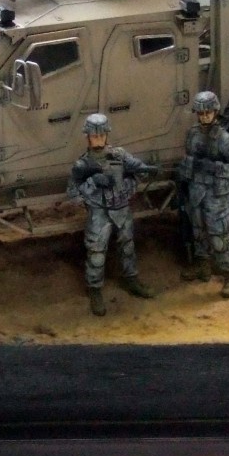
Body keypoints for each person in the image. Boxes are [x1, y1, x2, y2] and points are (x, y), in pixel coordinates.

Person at [67, 113, 156, 316]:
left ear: (107, 135)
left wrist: (128, 183)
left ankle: (131, 279)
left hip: (121, 208)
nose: (98, 139)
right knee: (97, 252)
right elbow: (73, 194)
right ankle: (95, 289)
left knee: (127, 247)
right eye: (94, 136)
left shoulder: (120, 155)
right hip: (99, 212)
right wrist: (93, 182)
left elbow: (137, 170)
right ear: (88, 137)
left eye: (101, 135)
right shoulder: (82, 165)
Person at [179, 91, 229, 297]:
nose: (205, 116)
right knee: (198, 231)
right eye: (201, 113)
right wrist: (187, 171)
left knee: (218, 236)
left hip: (217, 194)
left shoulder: (225, 139)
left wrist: (215, 167)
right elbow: (188, 159)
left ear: (215, 112)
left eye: (208, 112)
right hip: (196, 190)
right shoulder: (192, 134)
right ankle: (203, 266)